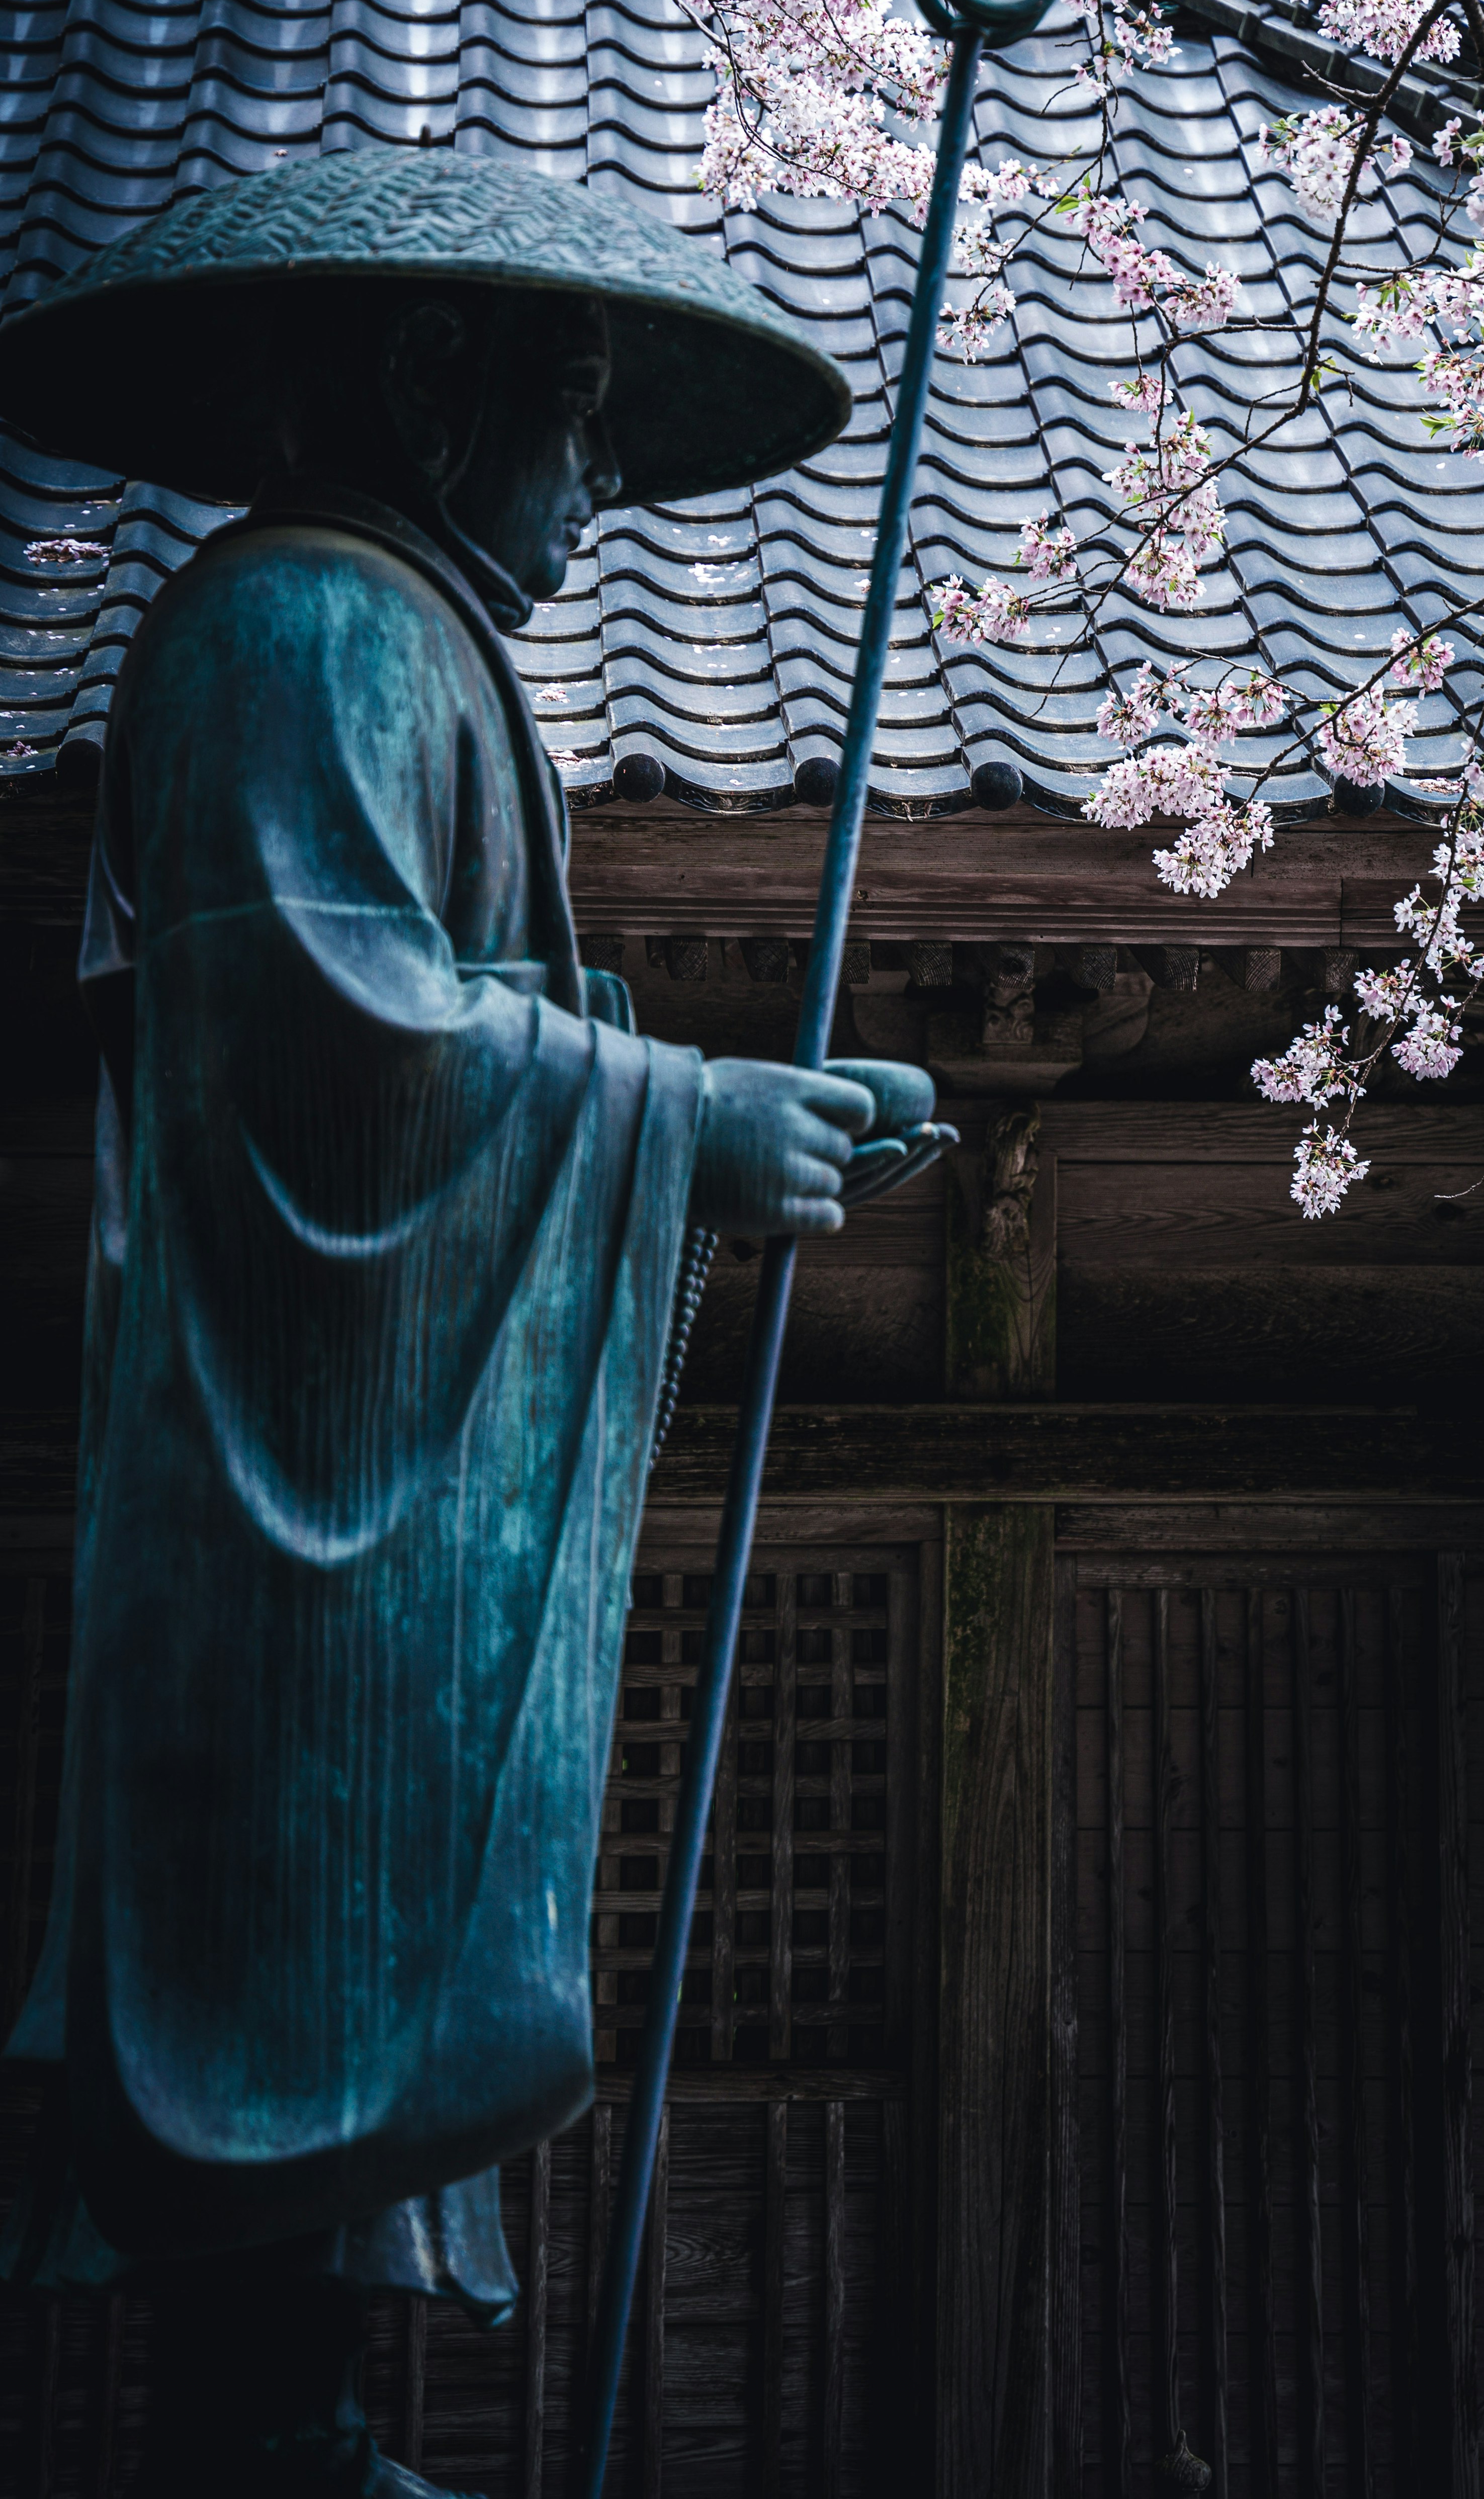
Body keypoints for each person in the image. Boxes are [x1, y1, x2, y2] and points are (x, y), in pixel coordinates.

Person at [0, 148, 937, 2495]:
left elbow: (455, 1015)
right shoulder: (294, 630)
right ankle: (263, 2430)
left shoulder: (397, 633)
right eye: (578, 409)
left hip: (361, 1429)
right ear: (434, 388)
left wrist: (721, 1095)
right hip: (288, 1458)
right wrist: (678, 1117)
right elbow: (335, 1028)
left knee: (342, 1947)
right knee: (284, 1963)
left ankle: (298, 2417)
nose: (603, 474)